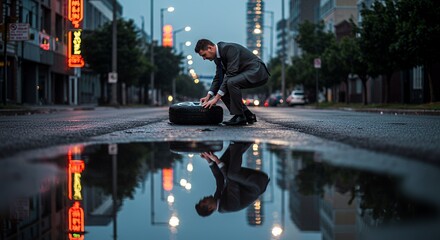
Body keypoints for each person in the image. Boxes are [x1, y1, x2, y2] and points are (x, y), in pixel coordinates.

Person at [195, 39, 270, 126]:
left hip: (258, 72)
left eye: (204, 55)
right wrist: (208, 96)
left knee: (231, 82)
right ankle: (247, 115)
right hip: (247, 73)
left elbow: (231, 74)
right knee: (223, 87)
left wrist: (216, 99)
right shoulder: (217, 58)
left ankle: (240, 116)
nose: (204, 58)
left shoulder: (230, 49)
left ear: (210, 48)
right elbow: (218, 78)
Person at [195, 142, 270, 217]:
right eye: (204, 201)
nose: (204, 197)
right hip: (257, 184)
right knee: (231, 175)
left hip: (250, 182)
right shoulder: (228, 206)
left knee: (224, 168)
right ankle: (236, 144)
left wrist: (209, 160)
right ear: (210, 208)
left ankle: (243, 142)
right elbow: (232, 183)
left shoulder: (217, 199)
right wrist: (217, 160)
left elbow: (219, 179)